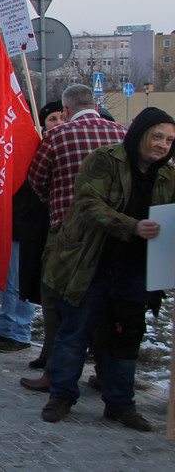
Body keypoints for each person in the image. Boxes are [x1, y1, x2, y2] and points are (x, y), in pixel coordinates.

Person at [39, 107, 175, 432]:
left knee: (126, 336)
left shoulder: (168, 176)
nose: (162, 145)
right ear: (141, 133)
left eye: (169, 140)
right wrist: (133, 226)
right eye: (157, 137)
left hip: (136, 271)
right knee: (76, 332)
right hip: (91, 264)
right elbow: (88, 204)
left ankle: (120, 404)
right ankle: (61, 395)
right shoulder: (105, 160)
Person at [20, 84, 127, 392]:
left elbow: (37, 180)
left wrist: (57, 199)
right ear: (94, 104)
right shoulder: (121, 133)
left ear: (65, 111)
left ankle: (55, 372)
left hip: (66, 234)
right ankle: (107, 373)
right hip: (112, 233)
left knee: (57, 303)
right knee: (108, 303)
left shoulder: (57, 136)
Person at [0, 100, 63, 354]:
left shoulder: (44, 148)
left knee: (19, 280)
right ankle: (4, 326)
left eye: (60, 118)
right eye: (52, 119)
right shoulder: (17, 146)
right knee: (4, 279)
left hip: (27, 226)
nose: (57, 124)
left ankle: (21, 331)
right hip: (6, 221)